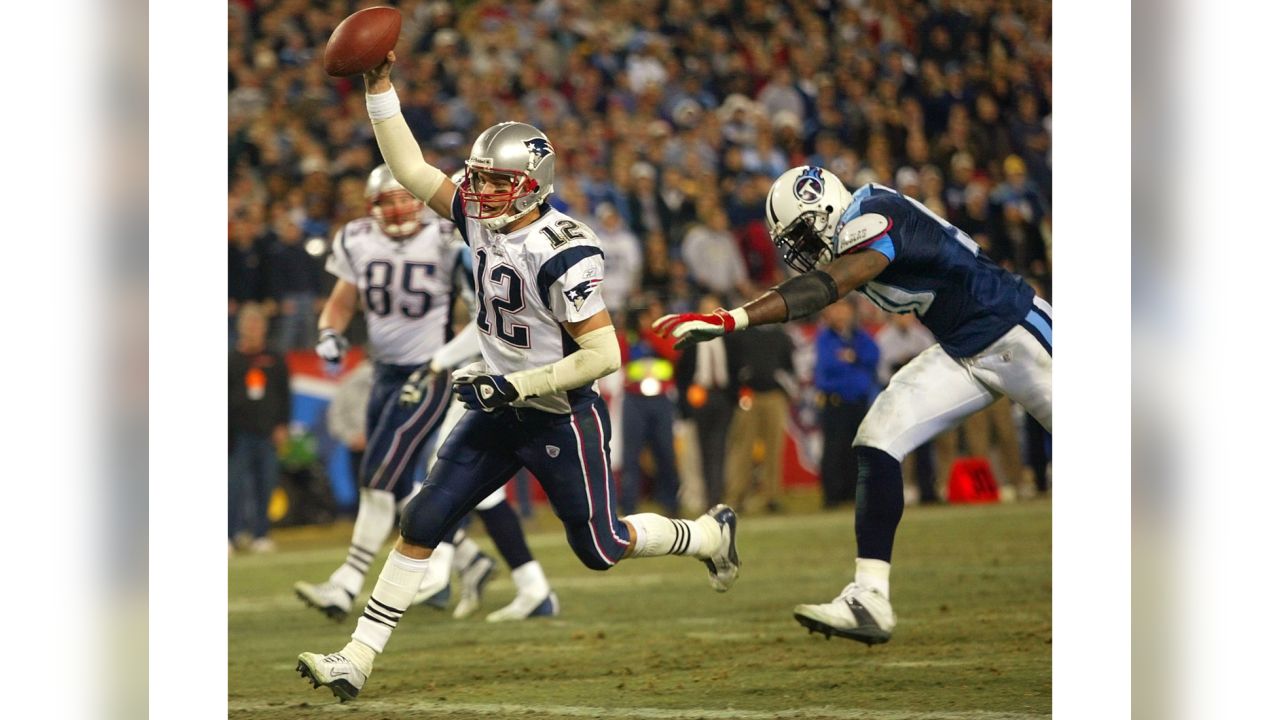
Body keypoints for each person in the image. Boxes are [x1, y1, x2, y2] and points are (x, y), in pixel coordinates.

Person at [297, 53, 740, 702]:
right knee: (423, 517)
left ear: (532, 184)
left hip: (558, 410)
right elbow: (411, 168)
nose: (478, 192)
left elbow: (604, 355)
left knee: (600, 545)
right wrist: (380, 87)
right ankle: (356, 659)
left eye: (494, 181)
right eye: (476, 179)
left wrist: (517, 386)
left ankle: (705, 535)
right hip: (498, 403)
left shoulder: (564, 247)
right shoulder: (480, 217)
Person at [654, 165, 1051, 645]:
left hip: (1018, 334)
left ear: (824, 210)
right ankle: (870, 598)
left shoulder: (873, 215)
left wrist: (732, 318)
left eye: (800, 233)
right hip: (963, 349)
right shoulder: (856, 223)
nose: (799, 249)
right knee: (877, 438)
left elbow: (830, 285)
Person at [292, 165, 556, 626]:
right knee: (432, 485)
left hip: (443, 372)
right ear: (371, 207)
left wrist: (439, 363)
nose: (397, 208)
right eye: (386, 201)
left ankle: (353, 581)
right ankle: (490, 569)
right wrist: (330, 330)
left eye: (404, 197)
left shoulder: (451, 238)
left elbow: (488, 319)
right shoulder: (356, 238)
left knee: (388, 477)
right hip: (391, 373)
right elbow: (343, 298)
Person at [228, 303, 291, 554]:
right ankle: (229, 535)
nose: (253, 329)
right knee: (234, 486)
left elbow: (285, 395)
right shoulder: (231, 360)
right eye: (249, 324)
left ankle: (260, 534)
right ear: (241, 328)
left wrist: (282, 424)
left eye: (257, 324)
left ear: (264, 328)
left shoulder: (275, 359)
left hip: (267, 433)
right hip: (237, 434)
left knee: (266, 485)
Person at [813, 300, 880, 508]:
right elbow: (828, 364)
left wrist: (854, 356)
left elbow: (874, 355)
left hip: (858, 402)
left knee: (857, 450)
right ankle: (832, 496)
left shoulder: (859, 336)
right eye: (837, 309)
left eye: (845, 309)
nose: (841, 313)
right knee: (833, 450)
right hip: (835, 401)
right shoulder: (825, 337)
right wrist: (853, 361)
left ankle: (853, 494)